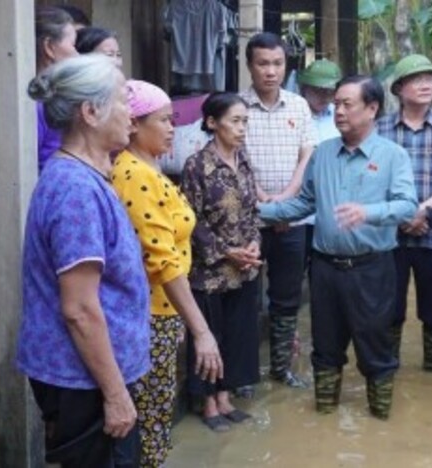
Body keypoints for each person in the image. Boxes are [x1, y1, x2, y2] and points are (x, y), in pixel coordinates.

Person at [259, 75, 418, 420]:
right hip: (325, 268)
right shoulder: (323, 154)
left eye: (347, 104)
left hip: (372, 268)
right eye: (336, 104)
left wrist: (369, 212)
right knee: (326, 347)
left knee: (375, 348)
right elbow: (303, 203)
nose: (338, 111)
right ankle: (325, 415)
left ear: (372, 108)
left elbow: (408, 206)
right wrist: (258, 211)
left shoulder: (393, 156)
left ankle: (380, 426)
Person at [19, 54, 149, 467]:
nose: (133, 113)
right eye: (124, 100)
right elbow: (78, 309)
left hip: (92, 375)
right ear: (91, 112)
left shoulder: (88, 176)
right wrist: (114, 394)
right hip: (84, 382)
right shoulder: (75, 190)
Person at [111, 80, 224, 463]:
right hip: (151, 313)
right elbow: (161, 261)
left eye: (172, 120)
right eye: (163, 120)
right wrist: (201, 330)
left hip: (163, 311)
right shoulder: (135, 176)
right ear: (134, 126)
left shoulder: (150, 169)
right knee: (151, 420)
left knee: (155, 413)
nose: (172, 128)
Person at [376, 54, 432, 372]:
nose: (427, 84)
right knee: (390, 307)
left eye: (431, 78)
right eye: (417, 79)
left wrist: (422, 211)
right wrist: (402, 216)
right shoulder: (381, 128)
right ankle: (388, 365)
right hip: (390, 236)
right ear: (399, 88)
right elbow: (373, 178)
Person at [180, 93, 263, 431]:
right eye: (235, 121)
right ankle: (208, 401)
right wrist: (225, 251)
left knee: (237, 335)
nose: (242, 128)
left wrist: (254, 244)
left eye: (245, 121)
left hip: (244, 270)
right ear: (213, 123)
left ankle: (225, 395)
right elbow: (190, 220)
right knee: (209, 336)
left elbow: (253, 212)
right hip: (209, 271)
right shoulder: (197, 165)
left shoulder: (243, 161)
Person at [239, 32, 316, 390]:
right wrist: (263, 199)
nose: (271, 71)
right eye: (263, 64)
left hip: (292, 220)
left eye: (278, 63)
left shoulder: (298, 106)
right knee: (245, 298)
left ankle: (282, 369)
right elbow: (234, 159)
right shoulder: (237, 108)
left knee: (286, 299)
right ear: (250, 66)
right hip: (248, 222)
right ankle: (244, 375)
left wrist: (284, 202)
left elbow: (307, 156)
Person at [297, 59, 343, 267]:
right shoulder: (294, 113)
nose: (324, 96)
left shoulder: (340, 116)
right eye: (318, 90)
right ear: (305, 88)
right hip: (297, 208)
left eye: (329, 91)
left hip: (331, 208)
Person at [35, 6, 78, 172]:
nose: (77, 54)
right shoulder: (36, 101)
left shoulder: (53, 93)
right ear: (49, 47)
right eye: (73, 45)